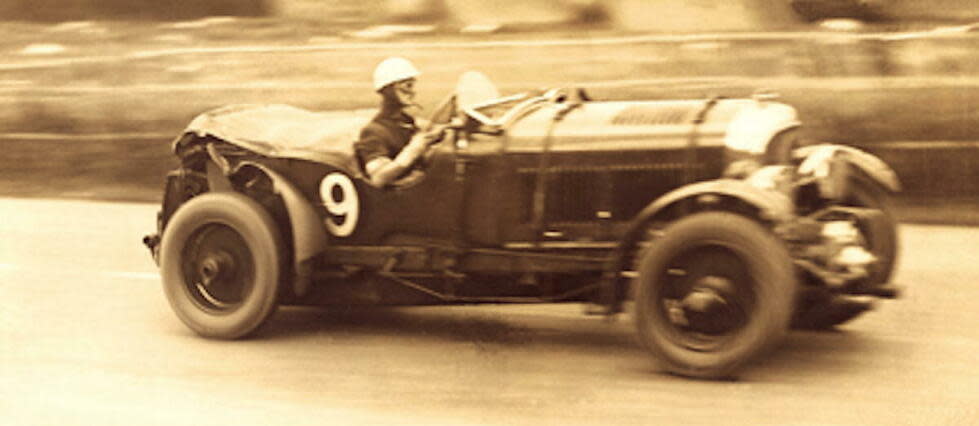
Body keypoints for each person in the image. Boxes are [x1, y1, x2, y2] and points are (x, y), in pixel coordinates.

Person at [354, 57, 444, 187]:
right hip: (400, 199)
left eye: (412, 85)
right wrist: (414, 149)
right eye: (407, 86)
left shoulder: (406, 122)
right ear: (389, 89)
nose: (413, 91)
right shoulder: (373, 131)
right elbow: (379, 177)